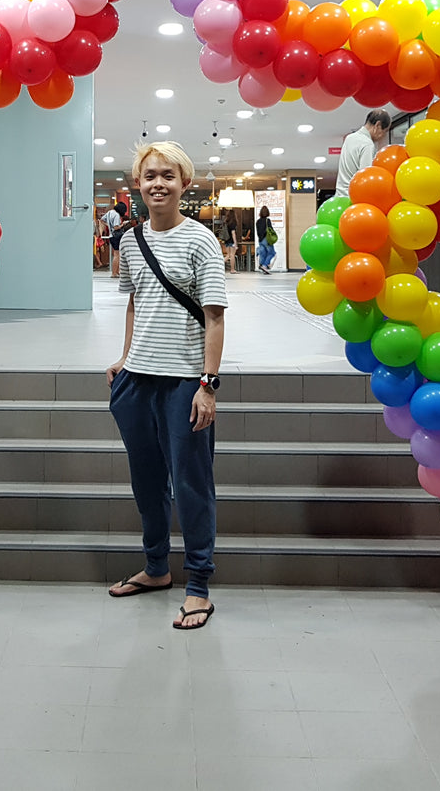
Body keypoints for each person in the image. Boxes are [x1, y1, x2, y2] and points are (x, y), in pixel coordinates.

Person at [106, 141, 227, 631]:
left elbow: (215, 318)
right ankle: (156, 568)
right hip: (137, 382)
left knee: (192, 485)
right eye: (149, 175)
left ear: (184, 184)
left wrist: (208, 385)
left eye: (168, 176)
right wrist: (124, 356)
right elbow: (136, 302)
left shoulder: (200, 241)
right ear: (138, 184)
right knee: (147, 481)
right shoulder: (130, 240)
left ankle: (198, 585)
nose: (158, 183)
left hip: (184, 384)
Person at [336, 109, 393, 190]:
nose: (383, 136)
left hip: (340, 195)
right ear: (378, 125)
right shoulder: (367, 144)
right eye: (385, 131)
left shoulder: (350, 138)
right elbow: (366, 178)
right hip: (353, 197)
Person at [102, 199, 128, 277]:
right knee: (117, 255)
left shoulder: (109, 212)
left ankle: (116, 272)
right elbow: (116, 227)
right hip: (116, 236)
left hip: (111, 236)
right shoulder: (116, 215)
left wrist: (108, 226)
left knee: (116, 254)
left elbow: (102, 220)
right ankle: (114, 273)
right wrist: (123, 224)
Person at [255, 204, 275, 274]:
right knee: (272, 253)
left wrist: (260, 238)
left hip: (260, 240)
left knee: (263, 253)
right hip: (267, 239)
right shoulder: (267, 220)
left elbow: (258, 232)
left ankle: (263, 266)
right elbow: (270, 230)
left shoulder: (258, 221)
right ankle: (264, 265)